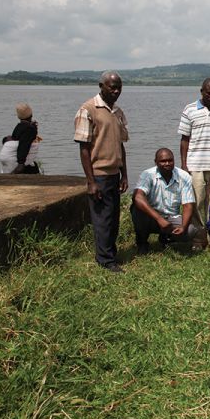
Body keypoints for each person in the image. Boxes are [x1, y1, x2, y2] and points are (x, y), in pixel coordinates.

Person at [74, 71, 128, 272]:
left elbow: (121, 146)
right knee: (102, 219)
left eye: (118, 88)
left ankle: (110, 254)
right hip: (99, 173)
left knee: (113, 218)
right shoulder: (88, 109)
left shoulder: (118, 112)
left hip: (114, 172)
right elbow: (84, 148)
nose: (115, 91)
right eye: (112, 87)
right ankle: (105, 259)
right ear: (101, 86)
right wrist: (91, 181)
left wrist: (125, 174)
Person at [178, 78, 210, 250]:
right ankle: (199, 239)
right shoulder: (189, 110)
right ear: (201, 91)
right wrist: (184, 165)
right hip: (195, 165)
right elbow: (184, 139)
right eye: (209, 92)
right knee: (197, 202)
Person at [131, 148, 202, 254]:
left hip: (171, 219)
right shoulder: (148, 174)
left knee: (190, 231)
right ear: (156, 162)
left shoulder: (184, 176)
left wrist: (183, 227)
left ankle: (166, 238)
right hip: (151, 217)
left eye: (170, 160)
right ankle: (142, 243)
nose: (167, 163)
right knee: (137, 209)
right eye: (163, 161)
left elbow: (188, 205)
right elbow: (137, 197)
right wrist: (159, 218)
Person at [6, 102, 40, 174]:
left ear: (19, 116)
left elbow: (15, 141)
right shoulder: (29, 129)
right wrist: (21, 163)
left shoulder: (18, 127)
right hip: (22, 162)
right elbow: (23, 145)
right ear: (31, 114)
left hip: (15, 159)